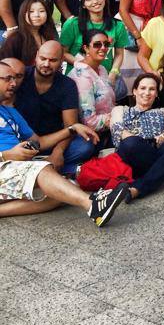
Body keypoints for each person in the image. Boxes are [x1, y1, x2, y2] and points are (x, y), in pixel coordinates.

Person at [0, 62, 128, 224]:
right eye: (8, 79)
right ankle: (93, 205)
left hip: (15, 168)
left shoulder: (10, 111)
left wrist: (71, 129)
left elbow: (39, 141)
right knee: (43, 171)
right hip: (5, 166)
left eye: (14, 78)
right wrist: (7, 155)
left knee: (65, 189)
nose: (13, 83)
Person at [15, 41, 96, 175]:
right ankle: (63, 169)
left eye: (53, 60)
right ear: (36, 56)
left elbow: (70, 127)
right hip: (20, 142)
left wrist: (58, 152)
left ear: (62, 60)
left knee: (85, 146)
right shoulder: (20, 77)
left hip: (54, 141)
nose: (46, 64)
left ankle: (41, 166)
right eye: (43, 58)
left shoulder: (67, 85)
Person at [67, 29, 116, 136]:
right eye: (97, 44)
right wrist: (118, 118)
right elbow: (89, 122)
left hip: (111, 127)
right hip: (92, 135)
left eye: (106, 44)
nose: (103, 48)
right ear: (86, 48)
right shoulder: (81, 75)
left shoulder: (102, 69)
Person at [0, 0, 58, 66]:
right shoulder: (16, 38)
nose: (37, 15)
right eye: (31, 11)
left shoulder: (48, 35)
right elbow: (4, 65)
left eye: (41, 11)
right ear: (23, 14)